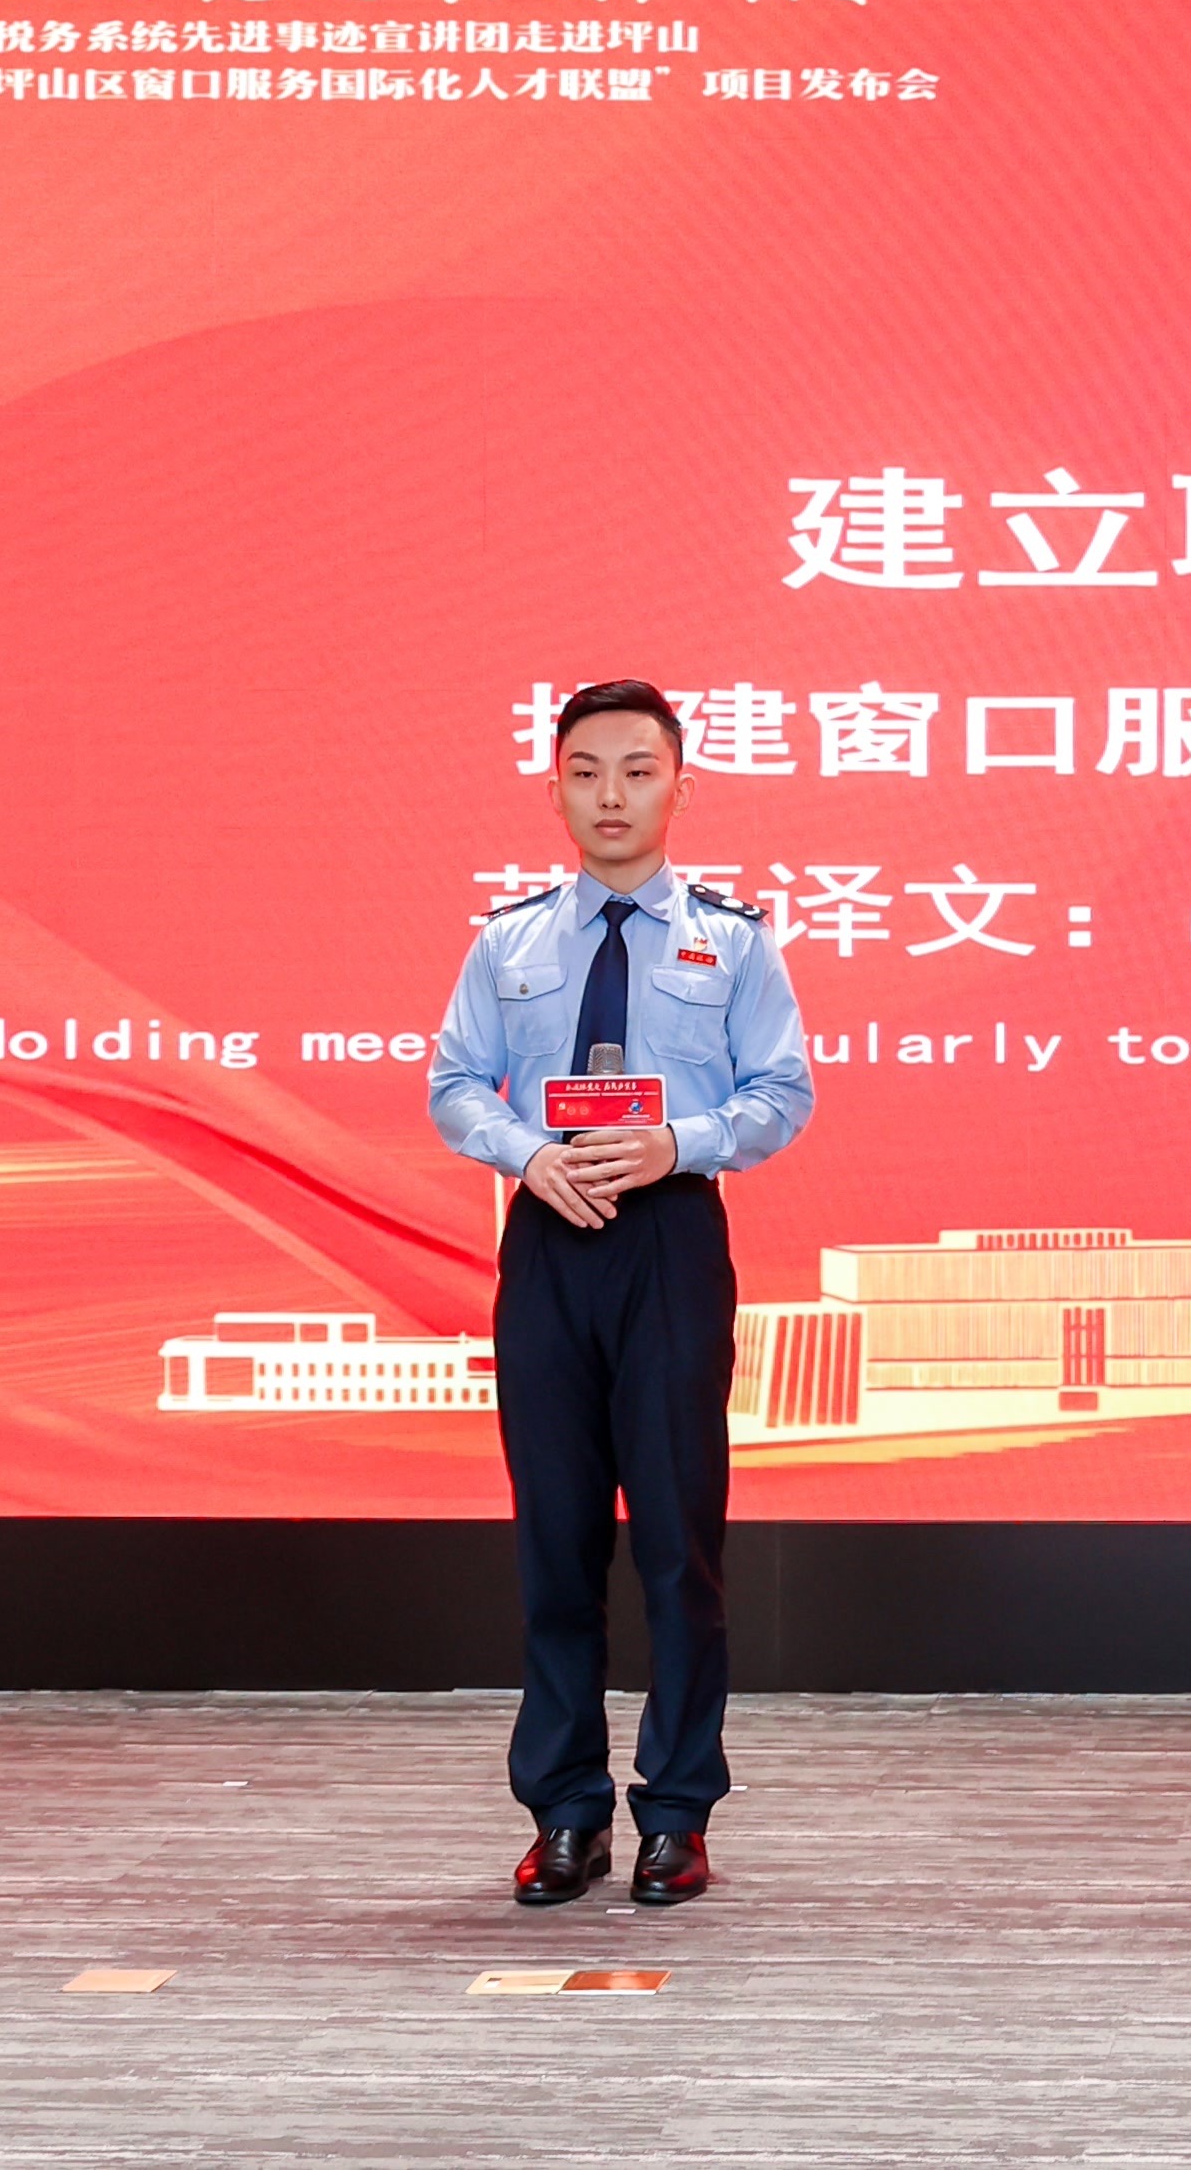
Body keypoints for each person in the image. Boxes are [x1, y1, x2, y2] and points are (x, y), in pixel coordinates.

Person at [429, 679, 812, 1909]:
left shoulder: (733, 940)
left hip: (669, 1239)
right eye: (587, 771)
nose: (612, 795)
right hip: (550, 1238)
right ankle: (565, 1811)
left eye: (638, 771)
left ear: (679, 789)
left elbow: (782, 1092)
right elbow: (453, 1083)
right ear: (554, 789)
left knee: (677, 1546)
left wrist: (678, 1143)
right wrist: (525, 1155)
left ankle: (677, 1811)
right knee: (555, 1541)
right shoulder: (508, 941)